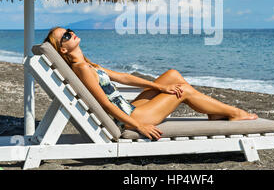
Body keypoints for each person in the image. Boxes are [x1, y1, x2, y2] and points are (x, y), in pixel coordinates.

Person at [44, 27, 258, 140]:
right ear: (63, 50)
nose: (71, 33)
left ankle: (214, 112)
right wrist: (139, 126)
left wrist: (160, 87)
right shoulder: (81, 69)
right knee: (183, 91)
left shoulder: (87, 64)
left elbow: (124, 78)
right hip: (131, 118)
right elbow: (106, 105)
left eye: (69, 30)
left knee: (172, 75)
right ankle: (233, 112)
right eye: (66, 35)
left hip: (130, 108)